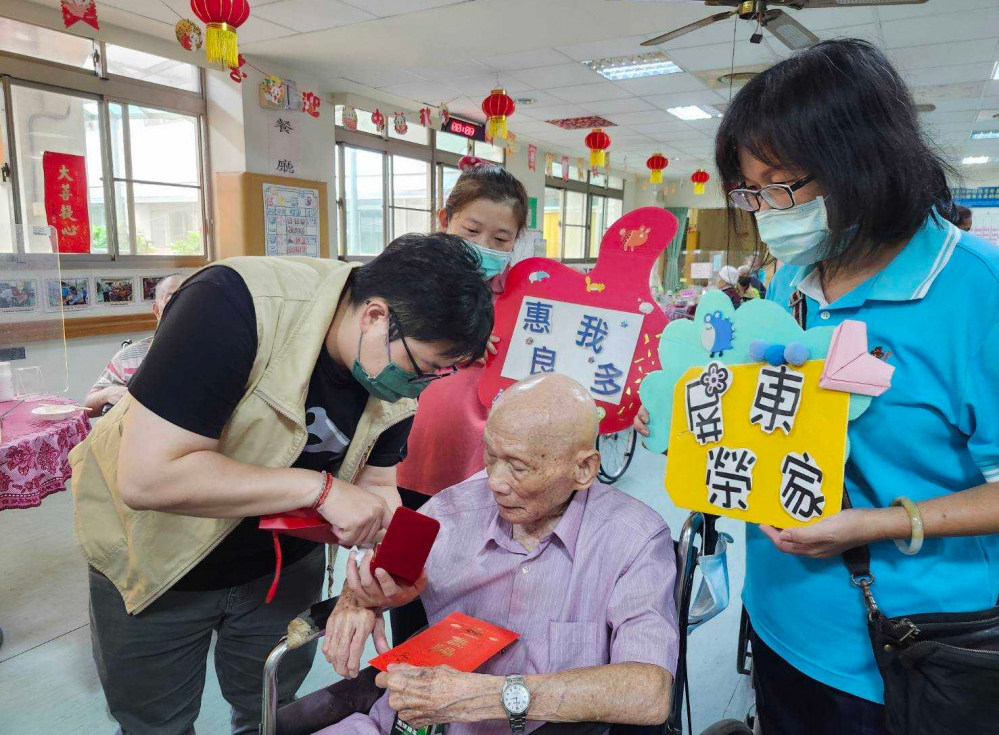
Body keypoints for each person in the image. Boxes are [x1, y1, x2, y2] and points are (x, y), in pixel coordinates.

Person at [637, 38, 999, 734]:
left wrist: (881, 523)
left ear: (863, 163)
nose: (766, 209)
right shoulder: (790, 276)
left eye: (783, 184)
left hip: (909, 646)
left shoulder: (974, 294)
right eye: (751, 189)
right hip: (780, 617)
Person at [70, 234, 494, 735]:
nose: (419, 387)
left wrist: (374, 578)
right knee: (155, 722)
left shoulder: (394, 368)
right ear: (376, 316)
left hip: (279, 568)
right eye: (421, 369)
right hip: (154, 557)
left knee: (269, 711)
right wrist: (321, 490)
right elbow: (149, 477)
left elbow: (379, 484)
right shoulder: (231, 304)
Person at [321, 374, 678, 734]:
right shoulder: (452, 510)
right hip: (409, 722)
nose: (495, 482)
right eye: (491, 456)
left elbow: (651, 692)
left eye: (519, 467)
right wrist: (357, 600)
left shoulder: (634, 540)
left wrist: (493, 697)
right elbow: (383, 570)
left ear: (583, 469)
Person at [393, 156, 528, 642]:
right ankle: (408, 702)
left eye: (500, 239)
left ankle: (470, 709)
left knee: (478, 599)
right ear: (443, 221)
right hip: (403, 473)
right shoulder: (405, 287)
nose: (483, 248)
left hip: (486, 479)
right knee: (404, 589)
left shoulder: (522, 301)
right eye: (471, 230)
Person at [84, 273, 184, 417]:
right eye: (172, 299)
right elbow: (88, 408)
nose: (182, 306)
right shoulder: (128, 356)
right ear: (156, 310)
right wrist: (107, 393)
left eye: (189, 300)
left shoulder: (213, 352)